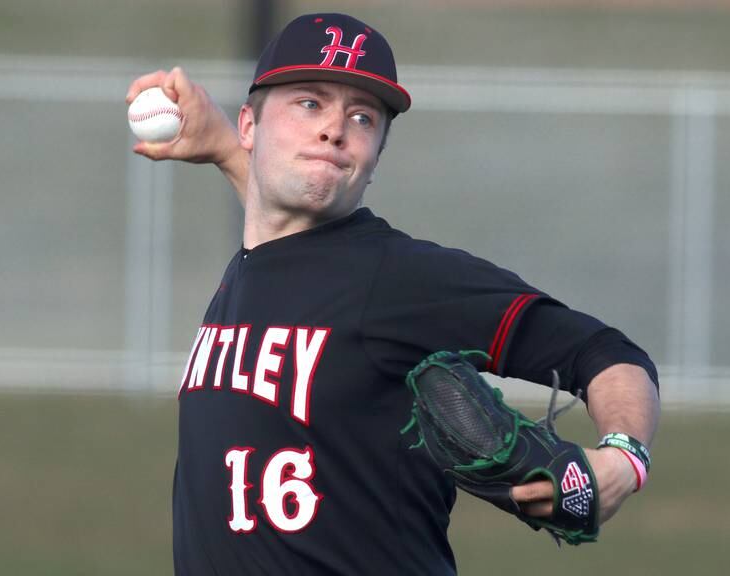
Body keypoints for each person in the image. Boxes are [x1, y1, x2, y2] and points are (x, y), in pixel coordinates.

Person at [126, 12, 660, 576]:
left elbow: (607, 354)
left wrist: (625, 458)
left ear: (376, 154)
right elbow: (276, 202)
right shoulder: (258, 261)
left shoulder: (400, 280)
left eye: (362, 117)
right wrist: (222, 148)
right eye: (309, 103)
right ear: (250, 126)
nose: (334, 129)